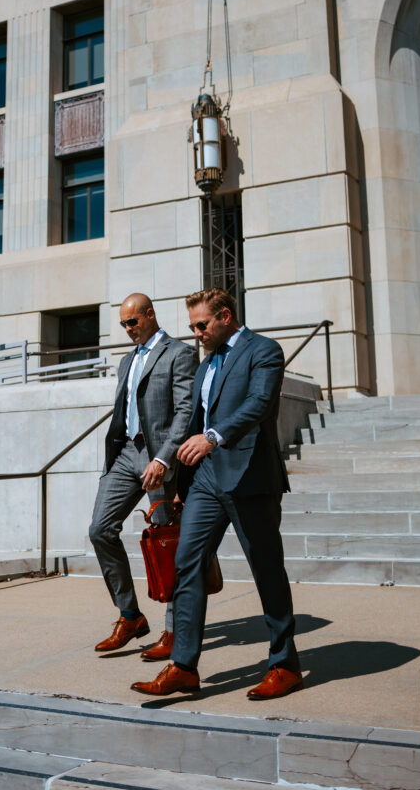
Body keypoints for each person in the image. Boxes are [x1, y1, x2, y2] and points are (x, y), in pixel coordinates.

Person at [131, 287, 302, 699]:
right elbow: (194, 419)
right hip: (205, 480)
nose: (196, 334)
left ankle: (285, 664)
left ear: (225, 316)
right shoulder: (207, 363)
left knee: (266, 570)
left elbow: (260, 404)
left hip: (250, 476)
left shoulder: (264, 350)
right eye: (192, 326)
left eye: (202, 325)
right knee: (187, 564)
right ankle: (184, 667)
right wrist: (182, 485)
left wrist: (213, 437)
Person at [90, 292, 198, 657]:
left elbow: (185, 411)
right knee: (100, 529)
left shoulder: (179, 354)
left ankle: (172, 631)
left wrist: (165, 459)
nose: (127, 329)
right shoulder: (126, 361)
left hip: (159, 459)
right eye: (123, 324)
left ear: (150, 315)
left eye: (132, 322)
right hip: (126, 454)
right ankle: (130, 616)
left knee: (168, 544)